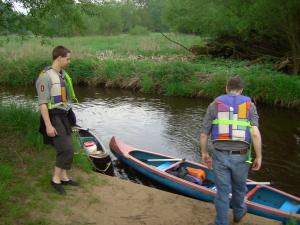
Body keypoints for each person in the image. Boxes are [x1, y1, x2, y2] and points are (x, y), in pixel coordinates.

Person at [200, 76, 262, 225]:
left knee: (222, 192)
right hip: (241, 156)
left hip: (220, 155)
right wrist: (259, 156)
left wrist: (204, 153)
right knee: (240, 187)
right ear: (241, 90)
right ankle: (239, 213)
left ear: (226, 89)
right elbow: (254, 133)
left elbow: (204, 134)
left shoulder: (214, 105)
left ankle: (221, 222)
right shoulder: (250, 105)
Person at [36, 46, 79, 195]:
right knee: (66, 149)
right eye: (67, 58)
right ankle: (55, 180)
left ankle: (64, 177)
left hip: (64, 115)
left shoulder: (62, 74)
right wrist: (48, 125)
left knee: (67, 148)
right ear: (59, 58)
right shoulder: (45, 77)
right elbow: (42, 104)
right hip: (53, 117)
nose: (69, 61)